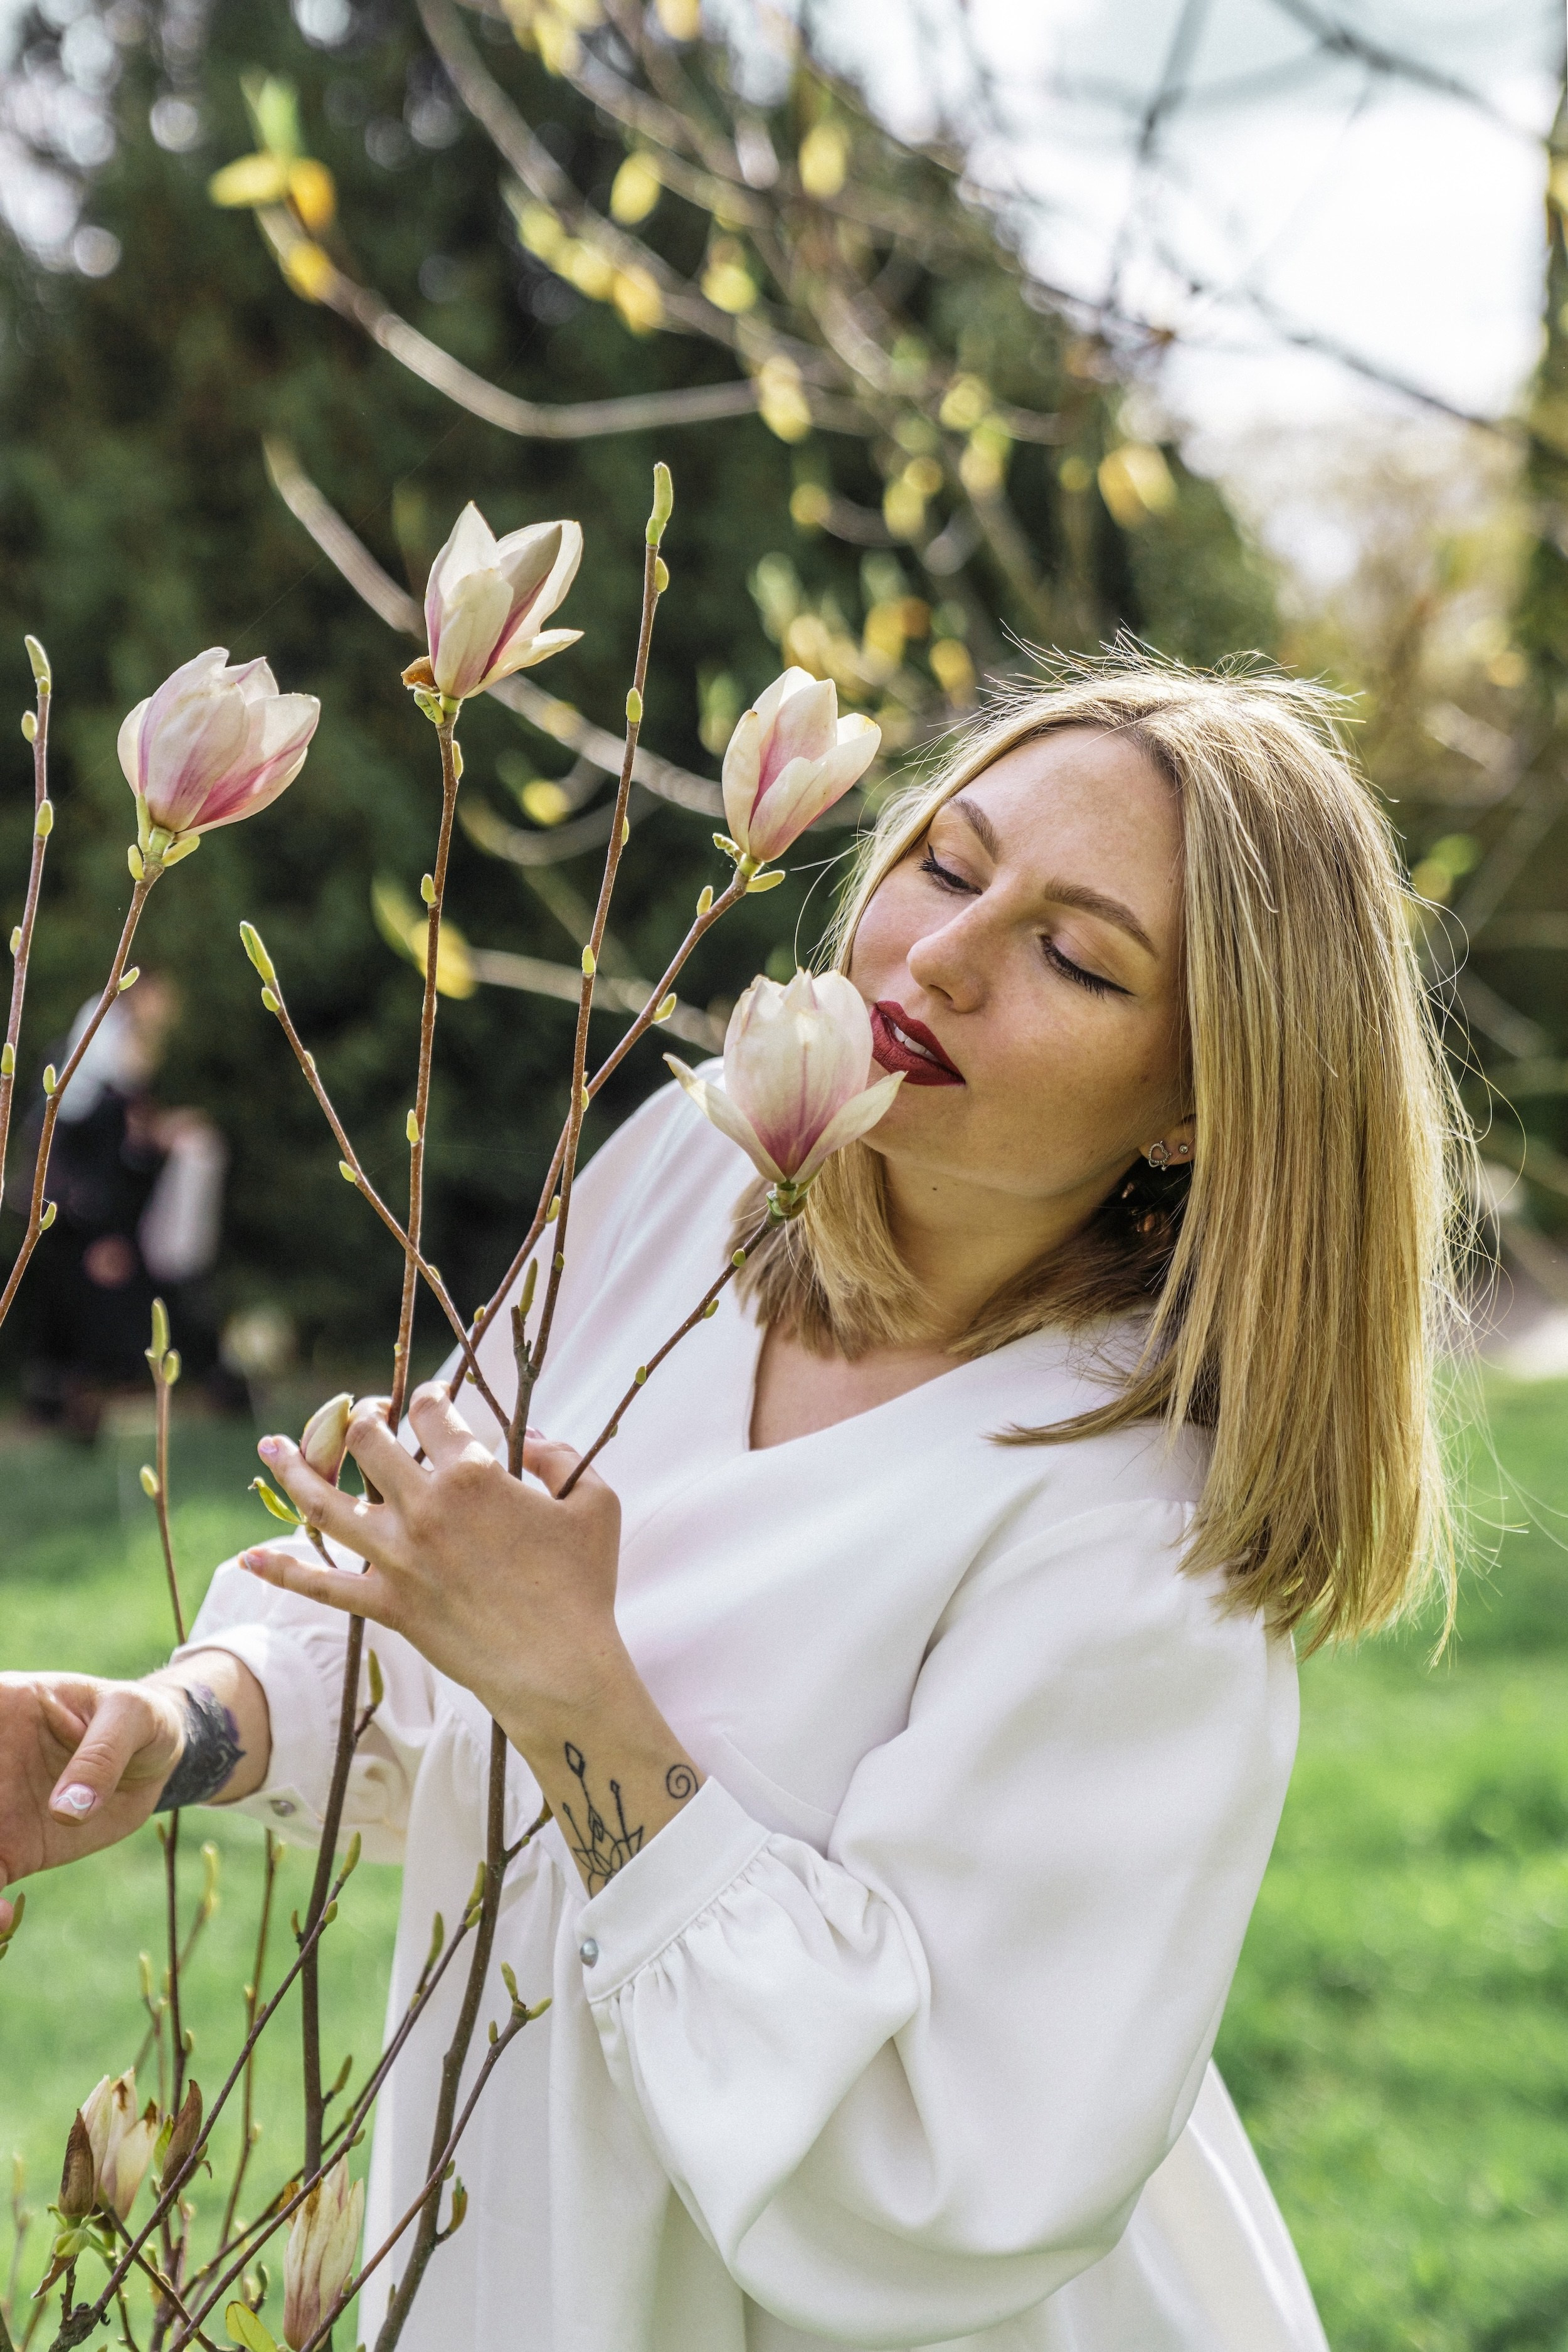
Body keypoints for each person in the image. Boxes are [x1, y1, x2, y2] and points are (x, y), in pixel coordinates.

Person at [0, 659, 1466, 2352]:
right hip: (509, 2242)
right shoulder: (703, 1168)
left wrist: (584, 1702)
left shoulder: (1128, 1537)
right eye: (944, 859)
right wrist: (178, 1726)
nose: (941, 955)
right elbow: (450, 1581)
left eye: (1073, 952)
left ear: (1204, 1101)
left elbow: (935, 2178)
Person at [14, 974, 230, 1437]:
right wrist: (103, 1235)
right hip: (83, 1223)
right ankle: (70, 1413)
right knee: (88, 1324)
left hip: (96, 1220)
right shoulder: (89, 1090)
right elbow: (84, 1161)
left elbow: (130, 1141)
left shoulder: (109, 1084)